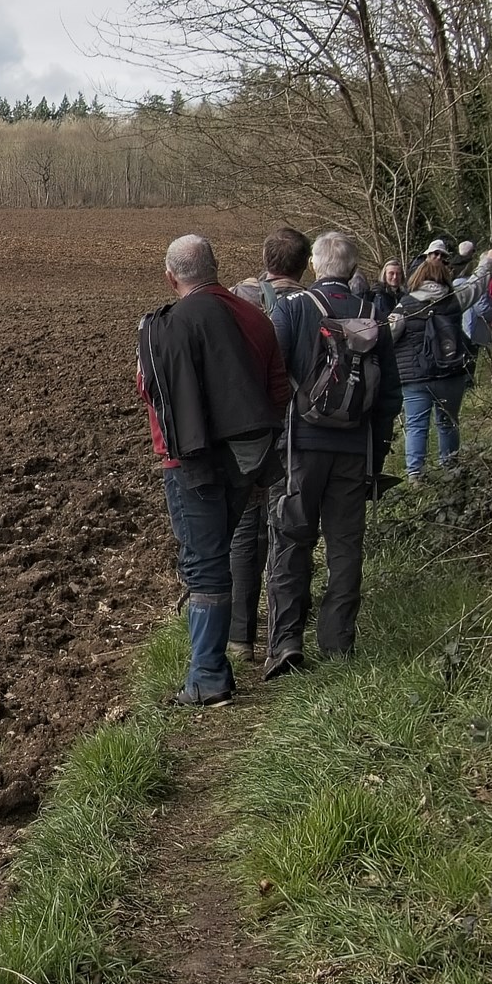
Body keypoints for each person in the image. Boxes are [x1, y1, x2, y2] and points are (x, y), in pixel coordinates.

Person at [133, 233, 287, 706]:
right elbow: (278, 390)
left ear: (170, 277)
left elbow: (149, 390)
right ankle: (218, 657)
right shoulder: (256, 318)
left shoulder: (166, 326)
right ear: (216, 268)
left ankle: (208, 676)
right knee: (217, 551)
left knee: (203, 564)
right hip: (247, 458)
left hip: (189, 462)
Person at [263, 228, 399, 673]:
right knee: (345, 546)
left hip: (298, 449)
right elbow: (390, 395)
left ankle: (286, 643)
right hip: (353, 451)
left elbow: (271, 377)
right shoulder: (373, 313)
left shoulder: (293, 308)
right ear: (354, 270)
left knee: (290, 540)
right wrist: (374, 459)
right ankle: (338, 644)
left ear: (316, 267)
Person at [224, 226, 311, 663]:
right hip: (293, 433)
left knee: (245, 530)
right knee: (286, 527)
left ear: (265, 258)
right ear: (304, 264)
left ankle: (239, 636)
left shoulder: (238, 299)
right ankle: (284, 632)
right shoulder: (311, 306)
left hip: (244, 432)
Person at [389, 247, 474, 477]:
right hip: (450, 372)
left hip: (416, 376)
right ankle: (451, 470)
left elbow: (389, 334)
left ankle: (416, 475)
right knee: (447, 423)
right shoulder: (455, 300)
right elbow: (477, 286)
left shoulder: (405, 305)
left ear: (417, 276)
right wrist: (489, 262)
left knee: (416, 426)